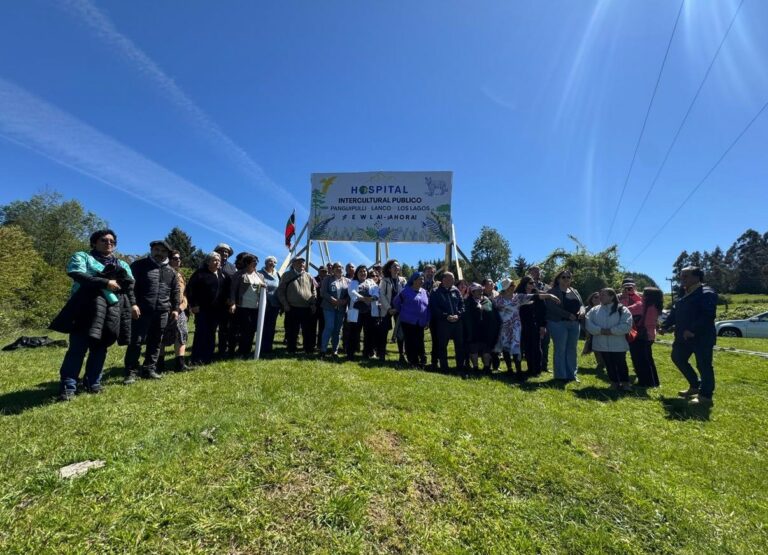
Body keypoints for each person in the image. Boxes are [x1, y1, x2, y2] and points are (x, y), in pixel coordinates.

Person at [51, 229, 136, 400]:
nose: (108, 243)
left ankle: (93, 382)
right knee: (78, 348)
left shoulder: (122, 264)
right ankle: (68, 387)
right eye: (104, 240)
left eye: (112, 241)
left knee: (100, 347)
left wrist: (133, 304)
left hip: (111, 310)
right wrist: (105, 282)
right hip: (85, 307)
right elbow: (77, 274)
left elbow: (129, 286)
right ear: (94, 242)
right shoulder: (82, 257)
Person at [123, 239, 180, 383]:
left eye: (162, 251)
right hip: (141, 310)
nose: (159, 253)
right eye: (156, 250)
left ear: (167, 253)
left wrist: (175, 309)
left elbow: (175, 291)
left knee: (155, 341)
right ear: (151, 250)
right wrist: (133, 304)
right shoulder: (138, 266)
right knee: (136, 341)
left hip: (162, 311)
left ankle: (149, 369)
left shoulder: (171, 271)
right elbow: (130, 288)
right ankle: (131, 371)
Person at [661, 266, 718, 405]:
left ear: (697, 277)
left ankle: (705, 396)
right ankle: (694, 386)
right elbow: (675, 312)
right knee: (677, 357)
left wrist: (692, 330)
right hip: (682, 337)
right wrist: (665, 326)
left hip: (701, 337)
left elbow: (708, 315)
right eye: (681, 276)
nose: (682, 279)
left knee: (704, 365)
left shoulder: (706, 293)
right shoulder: (684, 293)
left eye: (685, 276)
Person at [494, 278, 558, 380]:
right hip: (504, 327)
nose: (514, 286)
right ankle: (510, 369)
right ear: (506, 287)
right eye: (511, 285)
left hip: (516, 326)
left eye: (514, 285)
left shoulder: (518, 297)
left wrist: (549, 296)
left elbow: (535, 296)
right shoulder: (497, 299)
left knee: (516, 347)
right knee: (506, 347)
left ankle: (518, 370)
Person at [585, 288, 634, 391]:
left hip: (618, 344)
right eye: (599, 295)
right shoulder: (595, 310)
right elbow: (588, 323)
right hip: (601, 343)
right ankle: (614, 383)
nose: (600, 298)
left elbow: (626, 325)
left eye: (603, 295)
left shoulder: (622, 309)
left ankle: (625, 383)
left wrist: (611, 331)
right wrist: (600, 330)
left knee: (621, 364)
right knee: (609, 364)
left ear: (612, 296)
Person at [186, 252, 226, 365]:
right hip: (202, 309)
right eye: (214, 260)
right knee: (201, 333)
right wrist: (193, 305)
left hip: (216, 310)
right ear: (208, 262)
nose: (217, 261)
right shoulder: (200, 273)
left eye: (218, 260)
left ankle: (208, 357)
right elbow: (190, 289)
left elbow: (226, 290)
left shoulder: (222, 275)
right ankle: (196, 358)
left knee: (211, 333)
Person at [545, 270, 584, 382]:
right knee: (560, 349)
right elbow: (552, 307)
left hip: (575, 324)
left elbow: (581, 305)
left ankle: (572, 375)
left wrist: (582, 311)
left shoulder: (575, 291)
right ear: (558, 279)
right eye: (563, 277)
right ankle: (560, 376)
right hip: (558, 323)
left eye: (569, 277)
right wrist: (568, 315)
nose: (566, 279)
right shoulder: (552, 291)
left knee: (572, 349)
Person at [277, 256, 317, 355]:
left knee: (307, 331)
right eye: (299, 262)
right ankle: (291, 349)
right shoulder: (286, 275)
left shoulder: (309, 276)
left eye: (303, 262)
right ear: (293, 264)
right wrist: (285, 304)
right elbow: (280, 291)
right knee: (292, 331)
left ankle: (308, 349)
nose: (302, 264)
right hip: (292, 307)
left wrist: (313, 303)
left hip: (306, 308)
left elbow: (314, 290)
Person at [229, 253, 266, 358]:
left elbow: (261, 290)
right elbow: (233, 290)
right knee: (243, 330)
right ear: (247, 263)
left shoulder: (260, 276)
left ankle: (247, 351)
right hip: (242, 307)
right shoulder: (239, 275)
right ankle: (240, 351)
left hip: (256, 307)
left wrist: (264, 287)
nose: (255, 264)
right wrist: (232, 303)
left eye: (256, 262)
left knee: (251, 330)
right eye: (252, 262)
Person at [159, 250, 190, 372]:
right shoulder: (163, 272)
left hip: (180, 310)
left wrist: (183, 306)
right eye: (175, 258)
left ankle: (180, 364)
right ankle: (159, 364)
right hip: (166, 309)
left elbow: (184, 293)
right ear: (169, 259)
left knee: (182, 335)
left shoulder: (180, 275)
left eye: (179, 258)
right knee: (162, 336)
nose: (178, 260)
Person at [430, 271, 466, 374]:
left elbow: (462, 304)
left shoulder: (456, 290)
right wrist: (446, 316)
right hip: (443, 323)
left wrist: (458, 315)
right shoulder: (436, 291)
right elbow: (434, 308)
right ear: (444, 280)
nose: (453, 281)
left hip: (457, 323)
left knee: (459, 345)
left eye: (453, 279)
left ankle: (460, 367)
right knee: (442, 346)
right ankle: (444, 368)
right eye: (451, 279)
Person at [393, 271, 430, 368]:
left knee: (420, 341)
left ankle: (422, 360)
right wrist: (402, 311)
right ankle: (413, 361)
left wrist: (427, 320)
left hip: (421, 321)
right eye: (419, 279)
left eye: (423, 279)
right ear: (413, 280)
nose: (422, 281)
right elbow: (396, 302)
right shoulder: (406, 291)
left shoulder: (425, 292)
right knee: (410, 341)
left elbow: (428, 306)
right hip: (408, 321)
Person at [464, 283, 501, 374]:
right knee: (474, 348)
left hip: (486, 329)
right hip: (473, 329)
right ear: (472, 292)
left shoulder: (488, 300)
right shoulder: (467, 302)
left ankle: (487, 367)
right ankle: (475, 367)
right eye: (478, 290)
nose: (481, 292)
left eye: (481, 290)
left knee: (486, 348)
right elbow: (466, 316)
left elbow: (493, 312)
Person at [516, 276, 548, 376]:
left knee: (536, 347)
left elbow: (543, 311)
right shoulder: (519, 295)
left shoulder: (538, 296)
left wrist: (543, 326)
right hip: (522, 324)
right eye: (530, 283)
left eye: (533, 283)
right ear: (524, 284)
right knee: (527, 347)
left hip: (535, 324)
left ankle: (537, 369)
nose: (533, 284)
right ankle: (530, 368)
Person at [346, 265, 379, 360]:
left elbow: (376, 292)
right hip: (357, 311)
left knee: (369, 333)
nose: (363, 273)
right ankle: (350, 353)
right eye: (360, 271)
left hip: (369, 312)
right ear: (357, 273)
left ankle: (367, 353)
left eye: (364, 271)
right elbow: (352, 292)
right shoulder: (353, 282)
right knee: (354, 333)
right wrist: (363, 298)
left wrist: (372, 298)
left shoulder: (371, 281)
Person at [379, 259, 408, 363]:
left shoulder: (403, 280)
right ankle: (381, 354)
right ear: (389, 269)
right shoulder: (384, 280)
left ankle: (402, 355)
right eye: (394, 266)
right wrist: (389, 308)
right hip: (387, 309)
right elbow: (381, 295)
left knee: (400, 332)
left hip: (400, 309)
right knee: (384, 332)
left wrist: (399, 308)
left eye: (398, 266)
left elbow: (406, 295)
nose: (396, 268)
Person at [319, 262, 350, 357]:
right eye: (336, 267)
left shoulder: (347, 281)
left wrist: (345, 301)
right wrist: (331, 299)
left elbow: (350, 294)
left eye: (340, 267)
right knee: (329, 327)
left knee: (337, 329)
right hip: (329, 307)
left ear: (343, 269)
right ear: (332, 269)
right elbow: (323, 292)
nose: (338, 269)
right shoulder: (327, 279)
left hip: (341, 308)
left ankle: (334, 351)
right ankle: (323, 350)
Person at [634, 287, 663, 387]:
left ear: (647, 296)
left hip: (641, 335)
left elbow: (628, 309)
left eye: (644, 293)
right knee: (648, 360)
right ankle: (654, 381)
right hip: (649, 336)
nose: (642, 295)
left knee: (640, 360)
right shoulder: (655, 307)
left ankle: (645, 382)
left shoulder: (642, 306)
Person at [214, 243, 238, 358]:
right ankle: (205, 350)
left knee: (225, 328)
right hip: (212, 302)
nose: (224, 253)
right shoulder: (208, 264)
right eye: (222, 251)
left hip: (226, 302)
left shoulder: (232, 267)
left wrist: (232, 300)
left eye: (226, 252)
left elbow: (234, 286)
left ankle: (223, 350)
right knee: (210, 328)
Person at [618, 278, 644, 379]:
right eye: (625, 287)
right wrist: (623, 297)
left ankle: (638, 369)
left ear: (635, 286)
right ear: (622, 287)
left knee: (636, 350)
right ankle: (621, 370)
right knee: (621, 349)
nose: (628, 288)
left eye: (631, 286)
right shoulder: (618, 296)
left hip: (637, 325)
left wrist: (634, 294)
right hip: (622, 324)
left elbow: (642, 306)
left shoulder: (640, 296)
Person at [528, 265, 550, 371]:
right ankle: (534, 365)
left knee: (545, 342)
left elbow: (549, 298)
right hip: (530, 317)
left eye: (538, 271)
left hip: (544, 316)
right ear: (530, 273)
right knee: (533, 343)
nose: (537, 273)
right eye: (534, 271)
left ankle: (544, 365)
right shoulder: (526, 286)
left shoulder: (546, 286)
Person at [258, 255, 281, 356]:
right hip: (263, 303)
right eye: (270, 262)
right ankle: (260, 346)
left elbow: (279, 289)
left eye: (274, 262)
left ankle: (268, 347)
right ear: (266, 262)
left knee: (271, 327)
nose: (272, 264)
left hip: (274, 304)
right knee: (262, 326)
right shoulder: (259, 273)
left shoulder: (277, 275)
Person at [581, 292, 606, 373]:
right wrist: (587, 331)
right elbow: (583, 322)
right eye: (595, 297)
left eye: (599, 297)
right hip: (591, 332)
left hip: (604, 331)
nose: (597, 299)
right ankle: (600, 363)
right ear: (591, 299)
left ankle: (606, 363)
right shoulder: (586, 309)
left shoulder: (605, 308)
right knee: (596, 348)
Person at [313, 266, 328, 351]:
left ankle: (320, 344)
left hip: (325, 306)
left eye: (325, 271)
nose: (323, 273)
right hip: (315, 305)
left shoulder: (329, 281)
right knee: (312, 326)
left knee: (322, 327)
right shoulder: (313, 279)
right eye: (322, 271)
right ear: (318, 271)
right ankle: (312, 343)